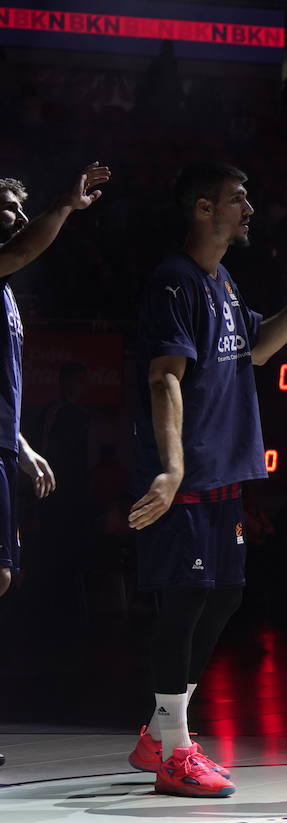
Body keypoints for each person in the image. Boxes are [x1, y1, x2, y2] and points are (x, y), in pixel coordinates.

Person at [127, 161, 287, 798]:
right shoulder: (174, 281)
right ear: (203, 207)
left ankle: (158, 733)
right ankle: (174, 752)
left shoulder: (221, 280)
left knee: (220, 598)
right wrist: (171, 469)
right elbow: (164, 376)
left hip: (225, 474)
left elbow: (258, 348)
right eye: (237, 198)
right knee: (184, 604)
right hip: (189, 475)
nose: (249, 208)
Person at [0, 163, 109, 768]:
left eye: (21, 210)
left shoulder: (8, 292)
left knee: (4, 578)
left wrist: (21, 441)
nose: (16, 220)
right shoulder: (4, 266)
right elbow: (22, 247)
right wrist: (65, 205)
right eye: (6, 209)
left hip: (2, 448)